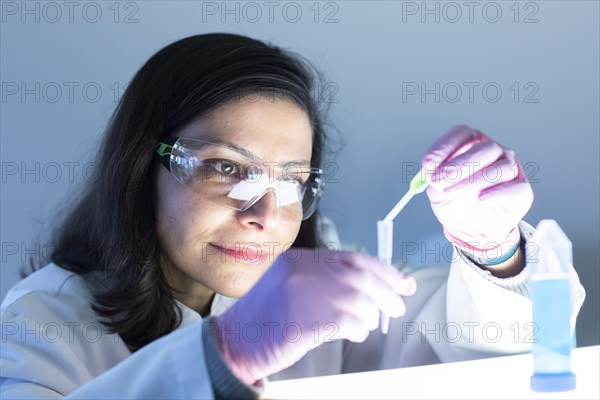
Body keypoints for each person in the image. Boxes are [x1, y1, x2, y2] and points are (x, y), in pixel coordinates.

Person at [0, 33, 585, 399]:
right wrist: (230, 352)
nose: (265, 214)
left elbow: (457, 367)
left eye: (290, 180)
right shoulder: (36, 329)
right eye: (226, 168)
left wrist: (493, 253)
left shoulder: (315, 282)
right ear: (138, 168)